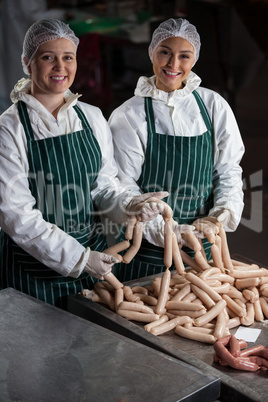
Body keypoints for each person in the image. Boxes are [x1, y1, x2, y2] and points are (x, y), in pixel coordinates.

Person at [0, 18, 167, 308]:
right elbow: (17, 216)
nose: (60, 67)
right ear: (27, 62)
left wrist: (129, 205)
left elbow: (103, 187)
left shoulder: (91, 117)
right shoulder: (9, 128)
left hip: (93, 268)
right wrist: (78, 258)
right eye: (47, 57)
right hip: (31, 274)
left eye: (68, 57)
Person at [109, 18, 245, 282]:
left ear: (195, 59)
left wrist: (218, 217)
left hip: (204, 248)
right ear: (151, 53)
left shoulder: (212, 105)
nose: (173, 64)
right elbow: (123, 186)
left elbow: (228, 169)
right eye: (165, 53)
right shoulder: (129, 115)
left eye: (184, 56)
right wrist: (166, 232)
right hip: (145, 252)